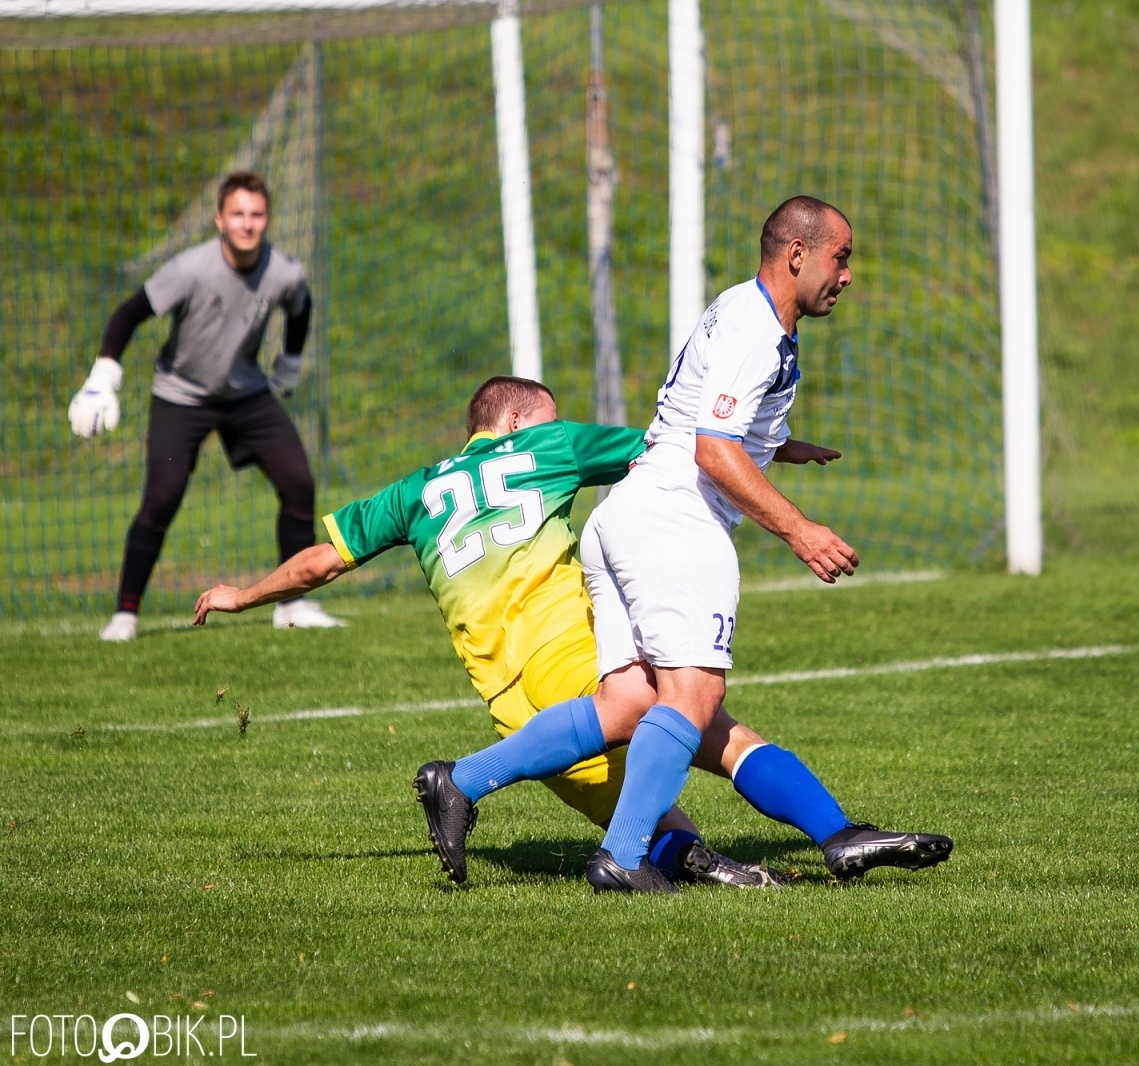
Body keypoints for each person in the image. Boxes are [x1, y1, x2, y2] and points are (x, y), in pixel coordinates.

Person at [193, 376, 781, 889]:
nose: (555, 425)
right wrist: (769, 447)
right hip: (569, 660)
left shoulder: (412, 493)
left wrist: (242, 596)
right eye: (548, 416)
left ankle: (705, 864)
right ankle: (823, 827)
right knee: (696, 712)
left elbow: (320, 563)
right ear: (516, 421)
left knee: (645, 821)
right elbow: (674, 451)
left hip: (512, 711)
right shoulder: (547, 446)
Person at [577, 196, 953, 893]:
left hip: (627, 512)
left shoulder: (744, 310)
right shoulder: (756, 329)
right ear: (797, 254)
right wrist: (800, 530)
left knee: (631, 704)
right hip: (676, 519)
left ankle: (462, 781)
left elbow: (708, 419)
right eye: (841, 257)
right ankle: (622, 855)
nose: (847, 275)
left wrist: (779, 446)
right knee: (694, 698)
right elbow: (713, 449)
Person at [70, 170, 342, 642]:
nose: (247, 223)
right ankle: (125, 615)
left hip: (246, 395)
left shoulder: (284, 271)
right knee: (162, 497)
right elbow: (129, 314)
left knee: (298, 482)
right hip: (180, 397)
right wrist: (103, 376)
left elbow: (301, 308)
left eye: (256, 214)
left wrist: (291, 363)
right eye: (237, 213)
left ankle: (293, 606)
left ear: (267, 219)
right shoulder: (190, 269)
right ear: (219, 219)